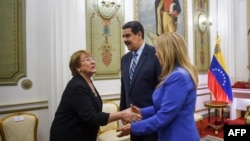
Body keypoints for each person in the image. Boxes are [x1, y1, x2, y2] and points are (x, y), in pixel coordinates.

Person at [117, 32, 200, 141]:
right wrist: (141, 112)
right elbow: (164, 106)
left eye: (158, 49)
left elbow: (163, 117)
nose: (156, 54)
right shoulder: (176, 74)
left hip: (178, 136)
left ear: (168, 51)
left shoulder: (178, 76)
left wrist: (133, 127)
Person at [50, 50, 141, 141]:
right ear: (77, 67)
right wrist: (122, 114)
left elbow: (95, 114)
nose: (93, 62)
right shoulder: (77, 86)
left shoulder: (87, 82)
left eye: (93, 59)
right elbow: (91, 117)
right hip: (68, 135)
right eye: (87, 60)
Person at [120, 21, 162, 141]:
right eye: (123, 36)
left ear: (139, 35)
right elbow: (124, 87)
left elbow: (161, 87)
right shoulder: (125, 59)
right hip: (132, 118)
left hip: (151, 117)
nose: (125, 39)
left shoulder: (156, 54)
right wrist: (123, 111)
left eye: (128, 36)